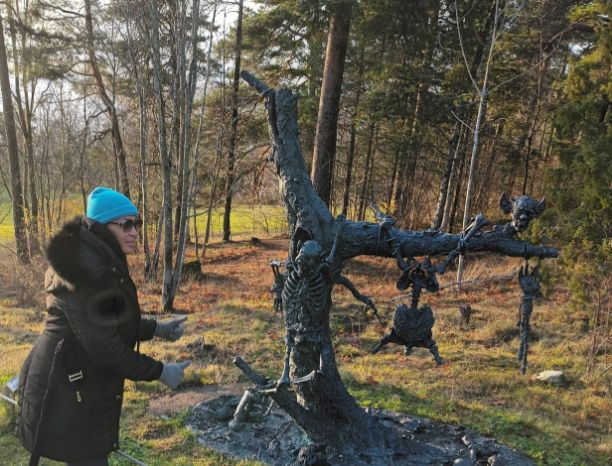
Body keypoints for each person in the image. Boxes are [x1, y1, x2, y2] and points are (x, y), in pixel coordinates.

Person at [17, 187, 192, 466]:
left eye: (137, 223)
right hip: (65, 387)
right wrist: (160, 371)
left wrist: (157, 329)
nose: (135, 232)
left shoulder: (100, 259)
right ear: (102, 226)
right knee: (88, 457)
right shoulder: (85, 270)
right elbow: (105, 348)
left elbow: (112, 320)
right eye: (126, 225)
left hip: (78, 383)